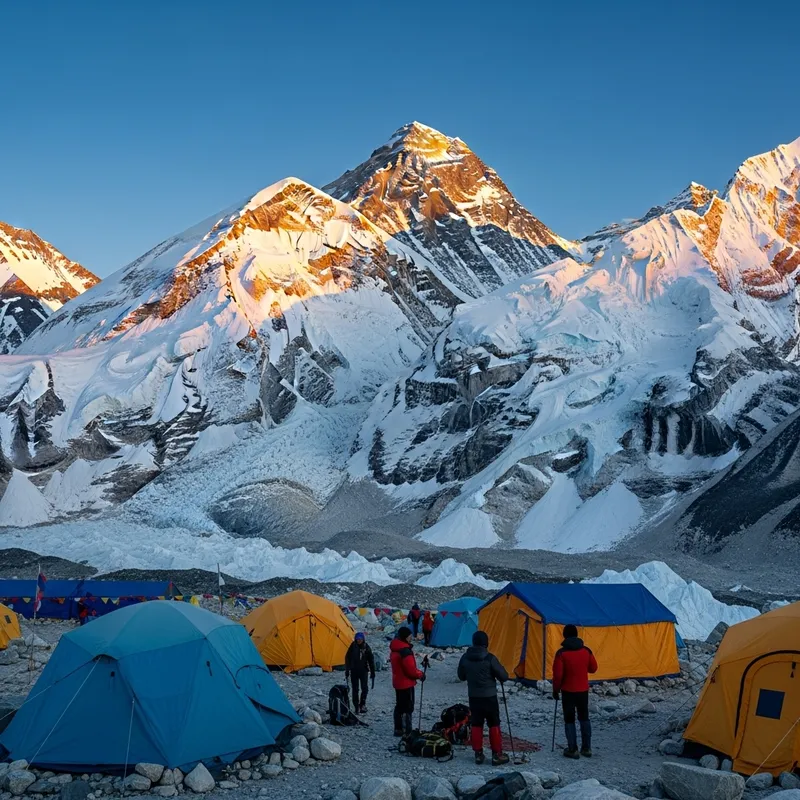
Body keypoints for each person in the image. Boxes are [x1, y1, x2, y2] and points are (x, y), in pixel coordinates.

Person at [457, 630, 510, 766]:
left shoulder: (465, 658)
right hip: (490, 696)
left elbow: (461, 676)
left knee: (476, 723)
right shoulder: (490, 658)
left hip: (474, 697)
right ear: (486, 643)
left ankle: (478, 754)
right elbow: (504, 676)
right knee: (494, 723)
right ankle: (497, 754)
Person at [552, 624, 598, 759]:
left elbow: (558, 675)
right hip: (583, 690)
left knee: (569, 719)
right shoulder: (586, 651)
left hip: (568, 690)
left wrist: (556, 690)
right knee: (584, 718)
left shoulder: (561, 653)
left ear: (564, 635)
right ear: (577, 634)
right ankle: (587, 748)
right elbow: (593, 668)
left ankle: (572, 749)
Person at [390, 626, 426, 736]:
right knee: (408, 707)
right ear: (405, 637)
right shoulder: (405, 651)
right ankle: (407, 730)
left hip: (397, 681)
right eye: (410, 636)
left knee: (399, 705)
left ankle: (398, 728)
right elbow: (410, 670)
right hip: (406, 683)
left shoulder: (395, 649)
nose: (411, 637)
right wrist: (420, 674)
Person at [345, 632, 376, 714]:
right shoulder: (353, 646)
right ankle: (356, 706)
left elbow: (371, 660)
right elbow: (347, 658)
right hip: (354, 671)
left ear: (363, 639)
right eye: (357, 639)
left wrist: (373, 672)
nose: (359, 641)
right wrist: (347, 670)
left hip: (364, 671)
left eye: (360, 639)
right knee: (355, 689)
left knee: (364, 688)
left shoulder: (366, 647)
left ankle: (362, 704)